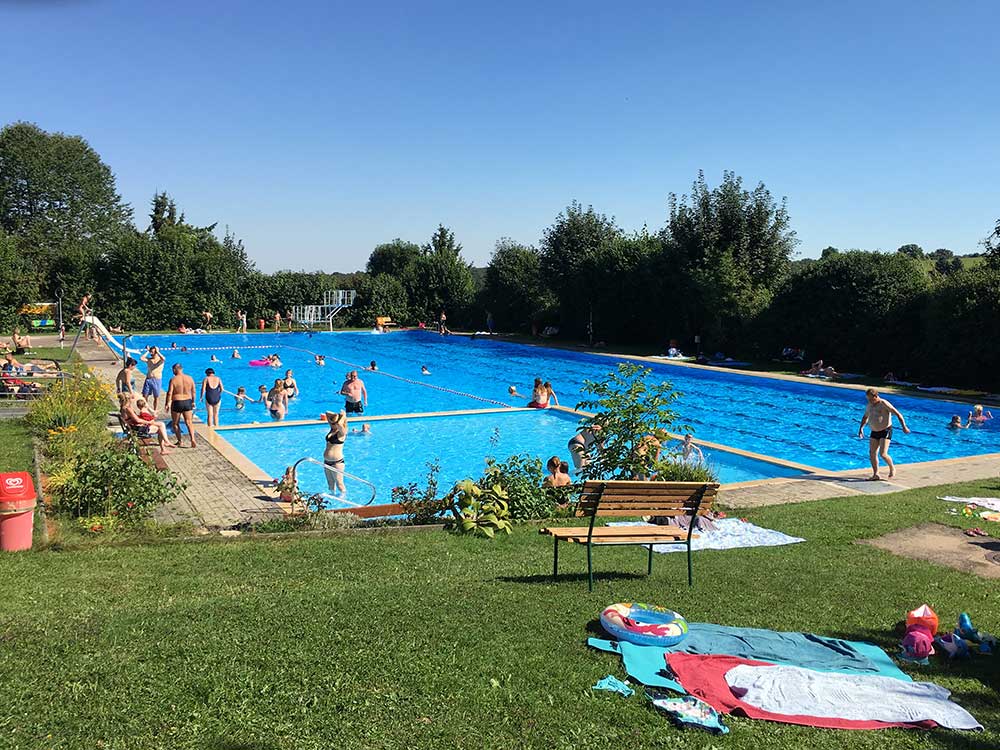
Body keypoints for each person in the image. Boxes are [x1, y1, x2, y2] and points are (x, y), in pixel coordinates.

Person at [858, 388, 910, 480]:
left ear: (876, 396)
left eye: (871, 399)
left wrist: (904, 427)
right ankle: (876, 474)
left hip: (885, 430)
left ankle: (892, 467)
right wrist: (861, 428)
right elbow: (865, 417)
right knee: (872, 453)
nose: (869, 401)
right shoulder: (869, 405)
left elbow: (898, 414)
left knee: (883, 454)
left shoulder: (884, 403)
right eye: (868, 399)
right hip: (874, 431)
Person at [164, 362, 198, 448]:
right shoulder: (190, 378)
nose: (172, 371)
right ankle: (193, 439)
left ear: (175, 369)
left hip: (177, 402)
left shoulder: (173, 379)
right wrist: (193, 401)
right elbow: (193, 391)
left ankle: (180, 441)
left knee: (175, 423)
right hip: (187, 401)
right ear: (182, 369)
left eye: (173, 370)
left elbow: (170, 393)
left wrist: (167, 403)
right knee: (189, 422)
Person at [323, 410, 348, 495]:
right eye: (332, 423)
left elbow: (340, 424)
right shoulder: (332, 430)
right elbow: (327, 413)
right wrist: (336, 415)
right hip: (327, 462)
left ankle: (343, 500)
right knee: (330, 484)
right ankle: (332, 501)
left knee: (340, 484)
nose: (332, 424)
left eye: (334, 423)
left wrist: (343, 416)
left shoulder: (342, 433)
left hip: (337, 463)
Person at [140, 346, 166, 410]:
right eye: (151, 352)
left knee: (156, 397)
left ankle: (155, 410)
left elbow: (164, 358)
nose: (151, 354)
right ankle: (145, 409)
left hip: (157, 380)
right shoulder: (149, 360)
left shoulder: (160, 360)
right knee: (145, 396)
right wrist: (147, 351)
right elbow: (141, 358)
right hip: (148, 379)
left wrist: (158, 352)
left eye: (153, 352)